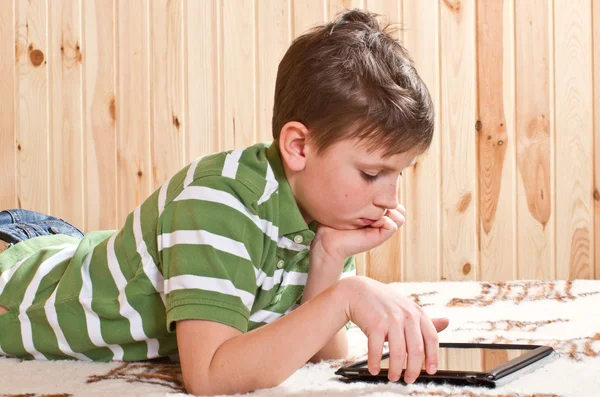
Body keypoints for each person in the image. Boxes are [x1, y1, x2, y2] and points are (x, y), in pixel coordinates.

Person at [0, 8, 449, 396]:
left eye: (398, 175)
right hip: (23, 285)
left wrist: (328, 260)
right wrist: (348, 296)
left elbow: (318, 353)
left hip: (78, 246)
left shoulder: (324, 214)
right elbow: (210, 376)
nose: (390, 200)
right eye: (372, 174)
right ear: (298, 147)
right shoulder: (219, 202)